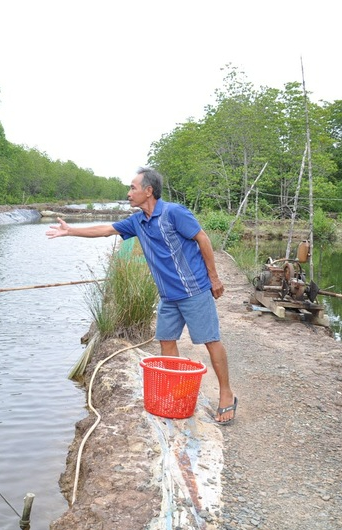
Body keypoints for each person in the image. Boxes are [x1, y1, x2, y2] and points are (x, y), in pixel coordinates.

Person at [46, 166, 237, 424]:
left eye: (132, 188)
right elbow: (106, 229)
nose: (128, 193)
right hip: (168, 296)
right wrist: (71, 231)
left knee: (210, 340)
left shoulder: (174, 213)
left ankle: (226, 393)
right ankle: (177, 390)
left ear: (148, 191)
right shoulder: (137, 222)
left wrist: (214, 277)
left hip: (194, 290)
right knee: (166, 341)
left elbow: (203, 239)